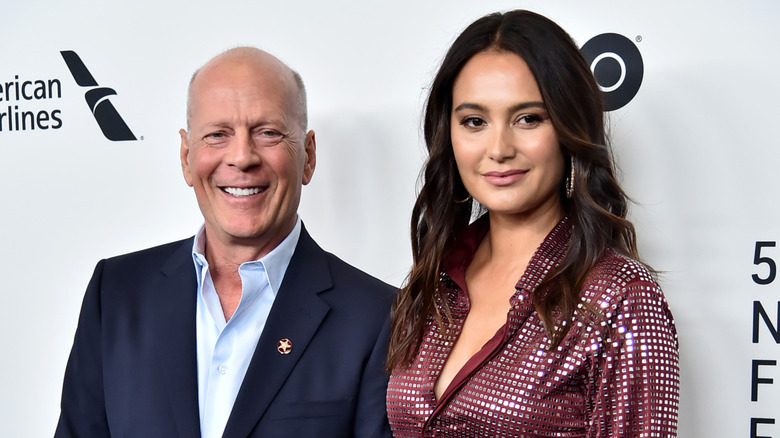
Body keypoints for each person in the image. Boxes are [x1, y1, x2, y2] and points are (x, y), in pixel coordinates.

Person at [55, 47, 395, 438]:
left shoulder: (379, 317)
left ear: (309, 156)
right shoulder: (115, 292)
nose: (241, 157)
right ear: (186, 157)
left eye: (268, 133)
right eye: (217, 134)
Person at [386, 10, 679, 437]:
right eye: (474, 121)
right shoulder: (433, 281)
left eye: (528, 119)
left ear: (568, 129)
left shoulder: (620, 297)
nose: (499, 148)